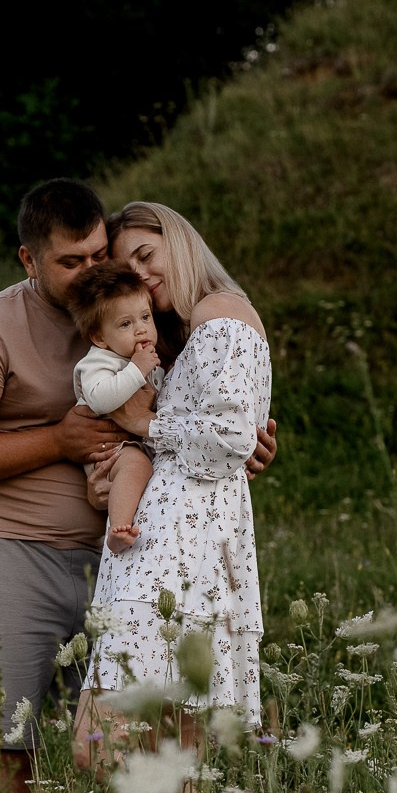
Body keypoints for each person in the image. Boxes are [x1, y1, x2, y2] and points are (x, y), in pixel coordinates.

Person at [0, 178, 276, 793]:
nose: (92, 272)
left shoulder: (149, 321)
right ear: (29, 260)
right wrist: (58, 440)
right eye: (70, 262)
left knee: (127, 738)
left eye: (98, 255)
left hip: (124, 563)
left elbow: (200, 416)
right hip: (12, 552)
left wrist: (249, 445)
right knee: (7, 743)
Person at [74, 200, 271, 763]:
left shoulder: (219, 311)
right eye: (128, 269)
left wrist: (144, 422)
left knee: (100, 744)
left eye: (146, 254)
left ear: (179, 240)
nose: (142, 274)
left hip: (175, 552)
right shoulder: (186, 332)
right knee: (176, 752)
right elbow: (231, 433)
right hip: (175, 544)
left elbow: (230, 439)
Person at [67, 260, 162, 555]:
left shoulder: (146, 357)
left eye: (145, 317)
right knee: (136, 464)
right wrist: (136, 370)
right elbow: (100, 398)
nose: (140, 330)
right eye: (125, 324)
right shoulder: (99, 361)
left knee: (145, 467)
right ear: (99, 337)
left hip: (133, 444)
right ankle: (118, 529)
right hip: (109, 451)